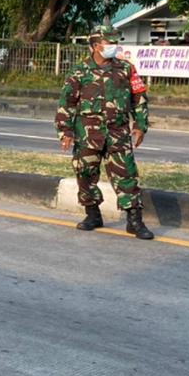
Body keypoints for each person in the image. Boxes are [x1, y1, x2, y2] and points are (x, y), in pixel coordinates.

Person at [55, 23, 153, 239]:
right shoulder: (79, 72)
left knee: (127, 175)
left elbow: (139, 99)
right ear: (96, 45)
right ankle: (92, 215)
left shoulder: (126, 69)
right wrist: (66, 131)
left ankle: (134, 221)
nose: (114, 46)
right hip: (88, 135)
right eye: (110, 42)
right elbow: (67, 103)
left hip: (118, 134)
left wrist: (140, 125)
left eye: (116, 42)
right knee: (85, 174)